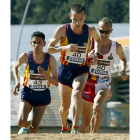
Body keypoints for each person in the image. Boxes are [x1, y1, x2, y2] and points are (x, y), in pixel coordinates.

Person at [47, 3, 100, 133]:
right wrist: (65, 48)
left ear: (85, 17)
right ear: (70, 16)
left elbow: (97, 40)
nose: (77, 22)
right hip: (65, 70)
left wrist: (96, 53)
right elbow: (49, 49)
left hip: (81, 69)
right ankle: (65, 127)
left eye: (80, 19)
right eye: (75, 19)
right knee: (65, 107)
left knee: (77, 93)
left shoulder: (90, 30)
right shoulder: (62, 30)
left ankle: (75, 127)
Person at [78, 17, 128, 133]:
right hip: (88, 84)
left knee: (96, 108)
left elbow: (123, 58)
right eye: (101, 31)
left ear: (111, 31)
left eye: (107, 32)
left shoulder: (116, 46)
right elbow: (78, 60)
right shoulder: (90, 44)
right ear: (97, 30)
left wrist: (123, 70)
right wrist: (88, 56)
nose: (104, 34)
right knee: (85, 122)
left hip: (103, 84)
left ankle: (94, 135)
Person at [12, 31, 58, 134]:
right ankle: (26, 126)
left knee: (34, 129)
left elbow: (56, 82)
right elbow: (15, 66)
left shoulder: (50, 59)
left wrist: (45, 75)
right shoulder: (25, 56)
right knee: (20, 122)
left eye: (39, 42)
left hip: (43, 94)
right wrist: (17, 81)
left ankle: (31, 128)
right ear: (31, 43)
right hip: (28, 92)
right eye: (34, 42)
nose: (36, 45)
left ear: (44, 44)